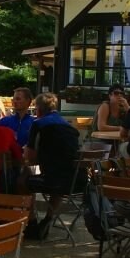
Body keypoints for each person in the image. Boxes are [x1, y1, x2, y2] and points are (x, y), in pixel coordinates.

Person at [24, 92, 80, 232]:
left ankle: (31, 221)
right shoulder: (70, 127)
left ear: (39, 109)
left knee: (22, 180)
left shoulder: (39, 124)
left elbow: (30, 156)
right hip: (73, 180)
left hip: (48, 177)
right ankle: (48, 219)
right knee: (57, 184)